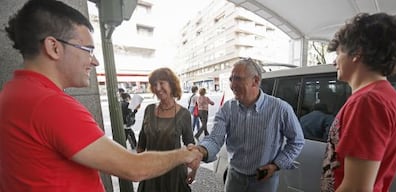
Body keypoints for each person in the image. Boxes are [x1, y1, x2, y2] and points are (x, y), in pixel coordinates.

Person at [0, 1, 201, 191]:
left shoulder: (11, 93)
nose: (95, 61)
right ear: (54, 47)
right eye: (88, 50)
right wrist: (185, 154)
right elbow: (134, 167)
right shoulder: (50, 104)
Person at [320, 13, 396, 192]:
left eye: (339, 53)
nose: (334, 62)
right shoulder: (387, 96)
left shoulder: (368, 101)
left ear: (357, 54)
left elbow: (356, 188)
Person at [194, 58, 305, 192]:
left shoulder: (280, 109)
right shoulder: (227, 109)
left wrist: (276, 165)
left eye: (238, 79)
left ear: (256, 81)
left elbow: (297, 141)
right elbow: (214, 139)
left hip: (264, 181)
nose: (232, 85)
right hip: (234, 178)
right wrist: (201, 151)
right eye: (231, 79)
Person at [136, 67, 196, 192]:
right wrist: (140, 168)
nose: (158, 88)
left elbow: (190, 144)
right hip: (151, 172)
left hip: (174, 174)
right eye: (154, 84)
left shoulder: (183, 114)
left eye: (162, 83)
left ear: (172, 85)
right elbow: (142, 142)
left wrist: (194, 170)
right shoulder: (149, 109)